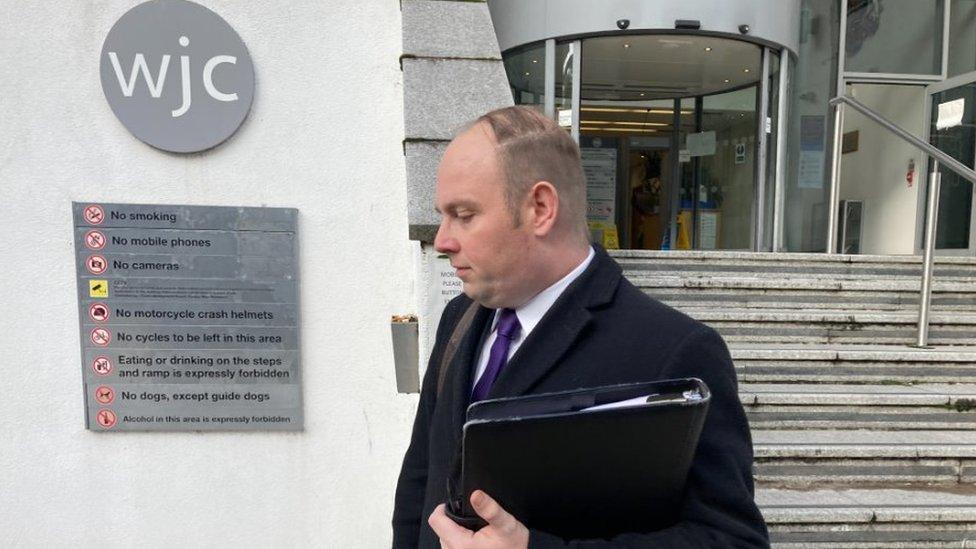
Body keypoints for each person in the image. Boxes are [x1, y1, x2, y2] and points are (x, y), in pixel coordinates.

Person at [392, 106, 769, 548]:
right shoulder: (460, 318)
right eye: (443, 215)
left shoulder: (676, 350)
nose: (442, 240)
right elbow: (421, 480)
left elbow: (731, 540)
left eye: (464, 214)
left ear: (540, 207)